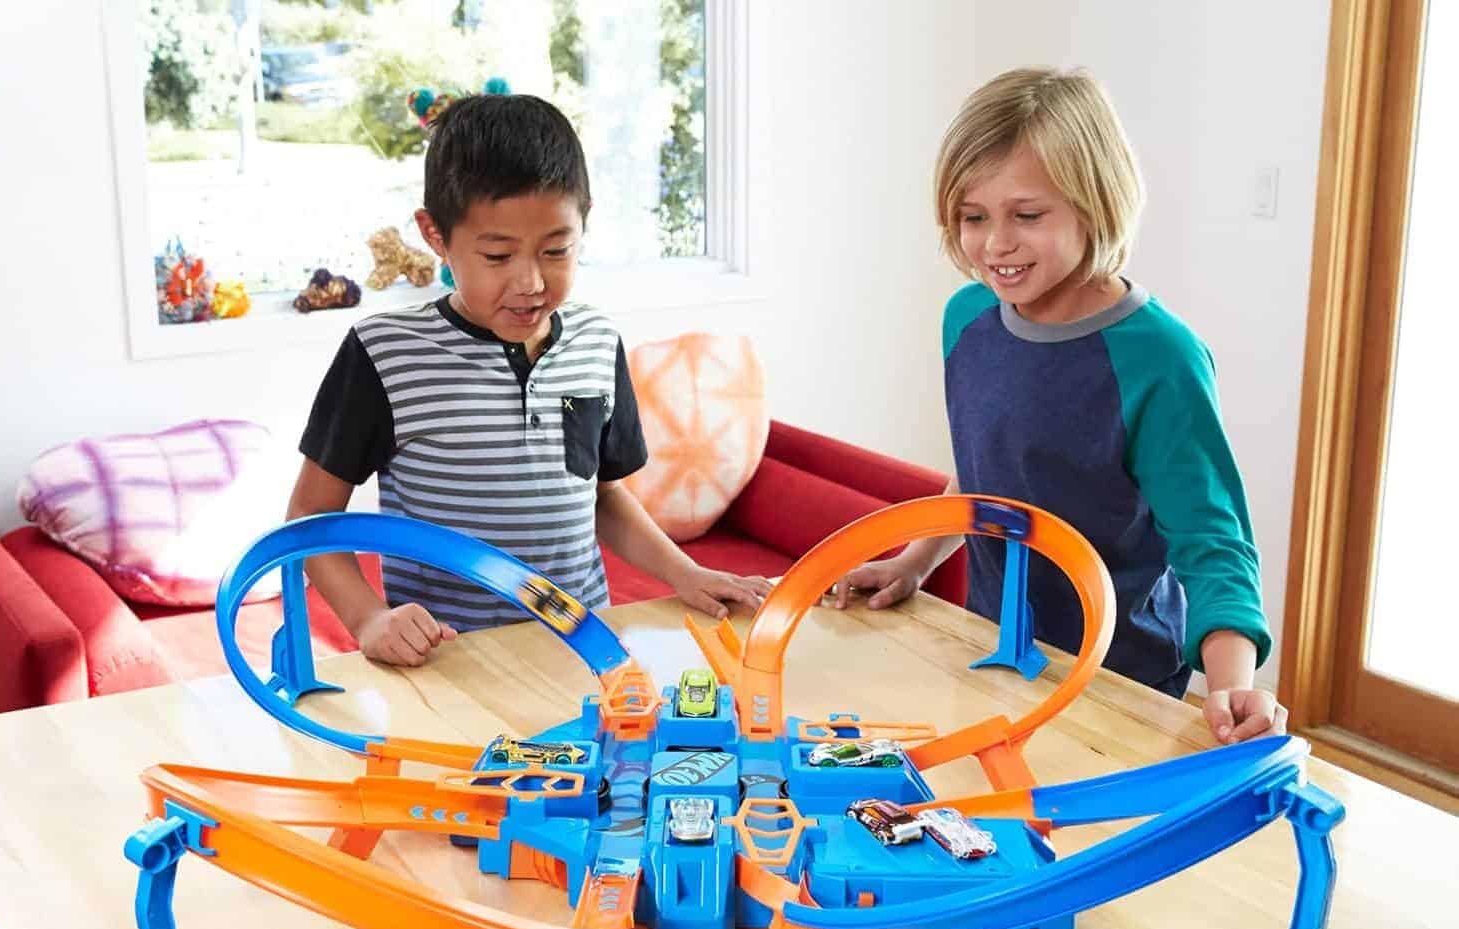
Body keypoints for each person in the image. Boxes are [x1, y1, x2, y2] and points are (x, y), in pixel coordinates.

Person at [834, 67, 1284, 745]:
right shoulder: (967, 319)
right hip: (989, 647)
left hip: (1120, 678)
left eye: (1027, 215)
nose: (994, 244)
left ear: (1095, 203)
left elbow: (1213, 545)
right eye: (973, 216)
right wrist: (914, 563)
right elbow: (986, 473)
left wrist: (1231, 687)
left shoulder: (1160, 357)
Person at [289, 91, 768, 666]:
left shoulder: (595, 341)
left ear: (583, 220)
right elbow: (311, 521)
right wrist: (369, 620)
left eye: (556, 250)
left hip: (583, 654)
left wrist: (685, 574)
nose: (530, 282)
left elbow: (602, 498)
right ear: (435, 235)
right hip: (447, 664)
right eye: (497, 256)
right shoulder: (383, 352)